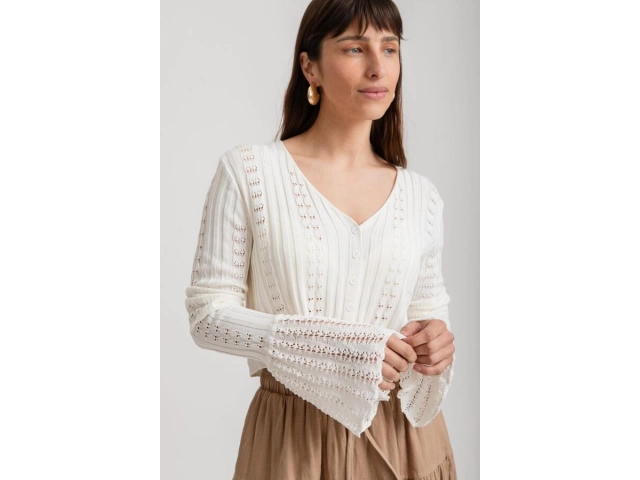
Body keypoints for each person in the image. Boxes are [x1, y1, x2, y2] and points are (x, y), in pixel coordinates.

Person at [185, 0, 457, 478]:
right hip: (296, 440)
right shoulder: (250, 173)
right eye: (354, 48)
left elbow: (427, 315)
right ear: (310, 66)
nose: (378, 67)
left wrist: (435, 342)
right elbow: (207, 316)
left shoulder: (421, 196)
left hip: (406, 441)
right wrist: (337, 348)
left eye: (389, 48)